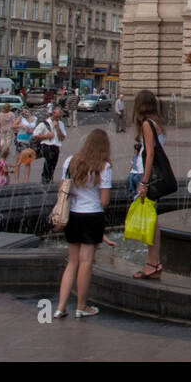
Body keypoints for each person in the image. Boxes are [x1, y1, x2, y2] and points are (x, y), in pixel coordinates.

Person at [54, 129, 112, 319]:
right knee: (86, 262)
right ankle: (81, 306)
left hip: (73, 215)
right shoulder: (104, 167)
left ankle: (61, 307)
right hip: (93, 215)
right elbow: (104, 201)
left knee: (72, 262)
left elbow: (62, 189)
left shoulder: (71, 161)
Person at [132, 89, 168, 279]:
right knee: (152, 219)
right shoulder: (157, 124)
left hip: (149, 176)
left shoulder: (147, 124)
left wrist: (144, 181)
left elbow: (151, 154)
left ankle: (153, 263)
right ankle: (153, 262)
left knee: (151, 221)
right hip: (155, 176)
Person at [33, 107, 65, 184]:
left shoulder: (60, 124)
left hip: (56, 146)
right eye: (56, 116)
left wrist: (57, 128)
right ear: (53, 114)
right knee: (49, 162)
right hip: (47, 146)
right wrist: (46, 136)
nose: (58, 118)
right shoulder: (44, 123)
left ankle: (49, 179)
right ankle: (45, 179)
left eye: (59, 117)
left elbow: (62, 138)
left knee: (53, 164)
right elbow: (35, 135)